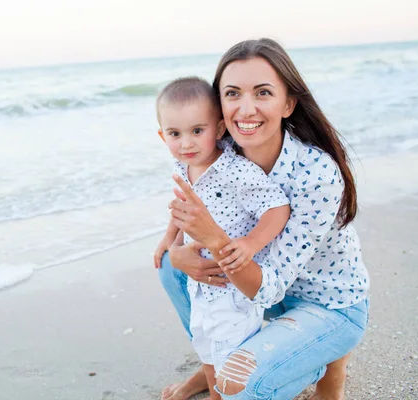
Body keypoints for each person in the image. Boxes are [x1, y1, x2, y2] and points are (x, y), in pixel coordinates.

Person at [159, 38, 370, 400]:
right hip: (253, 289)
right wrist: (176, 252)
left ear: (288, 103)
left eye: (263, 93)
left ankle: (323, 363)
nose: (246, 109)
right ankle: (212, 358)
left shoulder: (316, 174)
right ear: (218, 106)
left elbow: (270, 285)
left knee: (237, 388)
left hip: (323, 304)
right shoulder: (216, 149)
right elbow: (188, 204)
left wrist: (215, 240)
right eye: (232, 94)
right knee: (171, 267)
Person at [154, 76, 290, 400]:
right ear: (163, 136)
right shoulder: (182, 166)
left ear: (219, 128)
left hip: (233, 288)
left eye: (197, 131)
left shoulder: (235, 170)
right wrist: (168, 238)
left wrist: (250, 243)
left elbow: (277, 207)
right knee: (206, 345)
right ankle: (215, 391)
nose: (186, 143)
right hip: (202, 286)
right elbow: (182, 208)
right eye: (175, 134)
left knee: (230, 352)